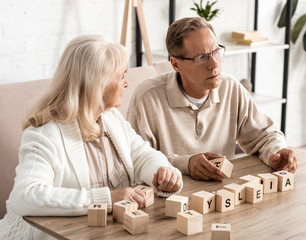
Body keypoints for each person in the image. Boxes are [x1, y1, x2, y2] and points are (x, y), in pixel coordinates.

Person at [0, 34, 182, 240]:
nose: (127, 83)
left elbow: (142, 154)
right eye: (121, 76)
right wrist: (107, 198)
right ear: (97, 84)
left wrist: (162, 172)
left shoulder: (111, 117)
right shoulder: (44, 134)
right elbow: (26, 196)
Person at [127, 17, 297, 182]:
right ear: (176, 64)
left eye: (216, 52)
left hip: (222, 193)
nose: (214, 64)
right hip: (168, 200)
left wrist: (277, 151)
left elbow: (265, 135)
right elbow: (136, 161)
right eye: (202, 57)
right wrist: (186, 164)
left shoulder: (231, 88)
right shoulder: (146, 98)